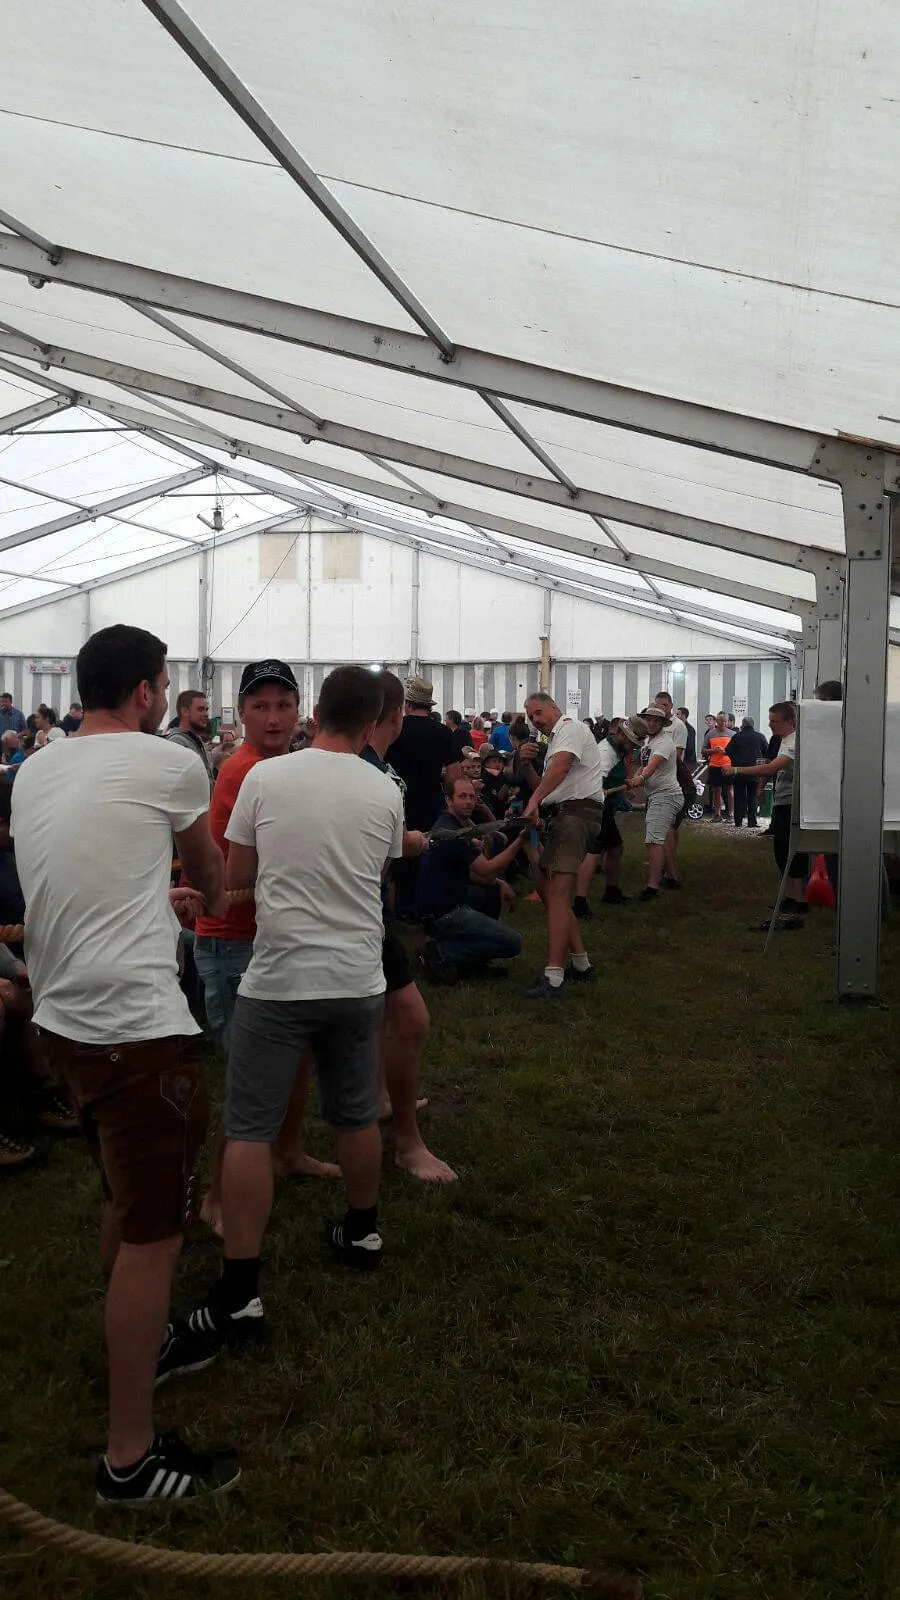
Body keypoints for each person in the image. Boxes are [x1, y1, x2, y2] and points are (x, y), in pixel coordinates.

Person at [12, 623, 237, 1506]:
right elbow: (211, 872)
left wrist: (152, 898)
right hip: (133, 1028)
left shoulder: (38, 766)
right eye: (166, 685)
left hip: (62, 1020)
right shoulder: (170, 761)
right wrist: (205, 892)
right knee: (155, 1237)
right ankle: (129, 1461)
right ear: (146, 691)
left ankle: (135, 1342)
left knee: (121, 1194)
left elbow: (84, 870)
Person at [182, 665, 405, 1371]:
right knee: (356, 1115)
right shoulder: (385, 789)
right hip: (357, 979)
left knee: (248, 1127)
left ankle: (242, 1290)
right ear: (369, 722)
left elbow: (238, 878)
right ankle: (363, 1233)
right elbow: (379, 872)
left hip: (279, 980)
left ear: (314, 713)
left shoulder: (265, 779)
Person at [194, 659, 339, 1236]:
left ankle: (288, 1151)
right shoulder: (245, 772)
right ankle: (215, 1194)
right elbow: (241, 871)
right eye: (261, 707)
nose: (274, 718)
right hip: (233, 940)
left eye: (283, 706)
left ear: (300, 712)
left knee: (294, 1055)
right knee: (251, 1077)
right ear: (242, 714)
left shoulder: (281, 768)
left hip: (270, 936)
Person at [361, 671, 455, 1183]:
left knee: (382, 1016)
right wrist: (409, 842)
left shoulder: (375, 763)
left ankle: (380, 1097)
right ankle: (406, 1142)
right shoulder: (365, 768)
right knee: (412, 1020)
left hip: (371, 911)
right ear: (394, 715)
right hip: (361, 916)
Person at [520, 692, 608, 1000]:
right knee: (550, 892)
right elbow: (547, 787)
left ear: (554, 708)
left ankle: (554, 978)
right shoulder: (557, 739)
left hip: (574, 816)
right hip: (566, 815)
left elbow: (560, 768)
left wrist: (533, 801)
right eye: (531, 717)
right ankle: (581, 966)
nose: (535, 720)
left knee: (556, 894)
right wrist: (526, 765)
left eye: (538, 712)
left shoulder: (570, 727)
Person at [416, 775, 523, 982]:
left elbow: (478, 873)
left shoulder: (454, 824)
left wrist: (499, 882)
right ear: (448, 800)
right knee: (513, 943)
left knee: (492, 889)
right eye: (462, 796)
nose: (468, 802)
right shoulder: (452, 833)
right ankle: (439, 953)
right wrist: (520, 841)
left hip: (444, 905)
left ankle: (472, 961)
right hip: (444, 914)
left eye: (472, 797)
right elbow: (488, 871)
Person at [723, 701, 808, 922]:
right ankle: (789, 896)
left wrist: (736, 769)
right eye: (770, 720)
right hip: (783, 800)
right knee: (781, 851)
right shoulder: (784, 740)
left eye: (775, 721)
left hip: (791, 802)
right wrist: (762, 785)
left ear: (790, 721)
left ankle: (799, 900)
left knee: (790, 851)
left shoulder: (794, 742)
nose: (770, 725)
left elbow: (771, 767)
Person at [572, 716, 646, 916]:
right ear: (620, 734)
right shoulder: (606, 753)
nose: (633, 747)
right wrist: (605, 791)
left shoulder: (618, 750)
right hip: (594, 808)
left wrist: (623, 784)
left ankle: (611, 892)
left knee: (615, 848)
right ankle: (579, 903)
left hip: (604, 809)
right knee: (593, 853)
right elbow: (595, 785)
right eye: (632, 743)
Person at [626, 706, 684, 900]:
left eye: (656, 721)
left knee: (653, 841)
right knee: (663, 838)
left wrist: (640, 779)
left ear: (662, 723)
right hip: (658, 795)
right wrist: (634, 779)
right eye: (648, 720)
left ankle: (652, 888)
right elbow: (644, 766)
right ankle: (672, 878)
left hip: (665, 796)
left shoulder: (664, 743)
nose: (651, 724)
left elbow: (652, 766)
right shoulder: (648, 742)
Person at [387, 675, 458, 831]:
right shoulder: (444, 732)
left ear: (408, 704)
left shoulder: (395, 729)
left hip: (398, 802)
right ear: (428, 706)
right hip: (432, 804)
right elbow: (454, 775)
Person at [653, 690, 690, 888]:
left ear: (671, 707)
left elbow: (677, 756)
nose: (661, 708)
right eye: (657, 704)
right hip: (658, 782)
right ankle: (666, 865)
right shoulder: (653, 726)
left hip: (673, 781)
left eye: (664, 705)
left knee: (668, 828)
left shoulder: (678, 726)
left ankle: (670, 871)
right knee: (666, 828)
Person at [165, 689, 214, 794]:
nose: (206, 714)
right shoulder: (177, 743)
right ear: (185, 711)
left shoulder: (196, 739)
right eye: (200, 709)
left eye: (206, 709)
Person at [726, 718, 768, 828]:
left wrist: (735, 760)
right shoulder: (760, 737)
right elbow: (767, 752)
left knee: (739, 797)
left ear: (742, 725)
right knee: (752, 797)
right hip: (755, 771)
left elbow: (728, 750)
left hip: (738, 771)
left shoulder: (736, 737)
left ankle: (738, 821)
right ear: (753, 725)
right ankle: (752, 822)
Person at [703, 712, 735, 821]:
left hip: (728, 765)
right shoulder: (710, 734)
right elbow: (703, 750)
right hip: (714, 765)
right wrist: (713, 750)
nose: (724, 723)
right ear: (717, 721)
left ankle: (731, 814)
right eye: (721, 721)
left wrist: (726, 752)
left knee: (729, 789)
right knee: (716, 790)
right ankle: (717, 814)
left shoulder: (733, 734)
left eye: (726, 721)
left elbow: (737, 751)